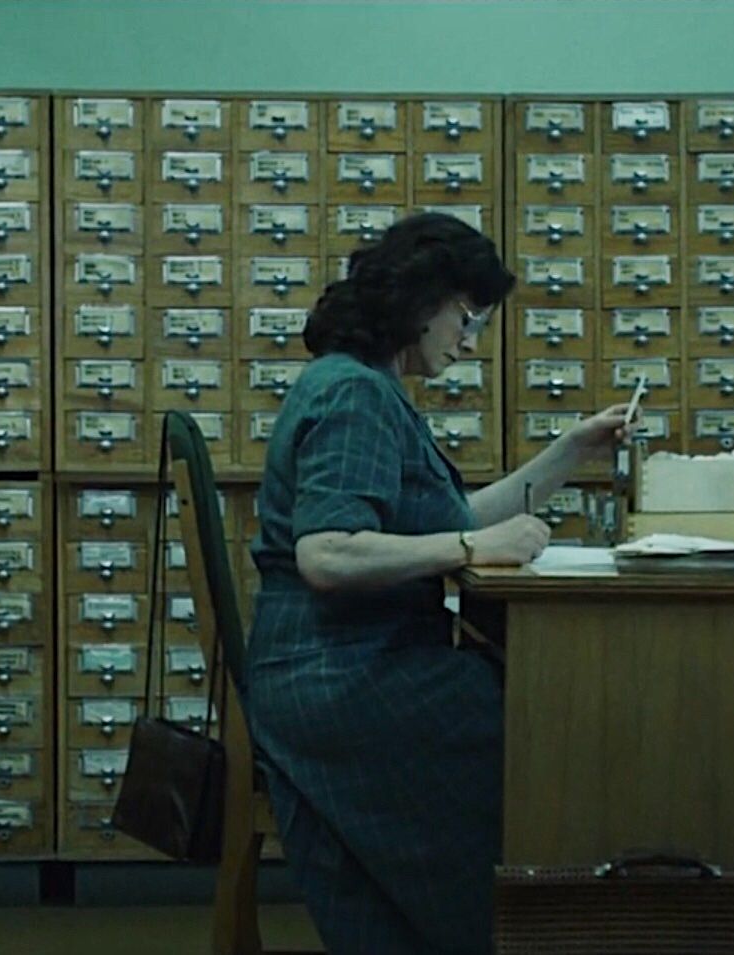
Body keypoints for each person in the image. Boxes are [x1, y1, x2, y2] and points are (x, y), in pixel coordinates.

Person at [242, 212, 635, 954]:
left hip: (349, 660)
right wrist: (469, 547)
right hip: (337, 673)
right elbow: (327, 553)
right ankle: (522, 931)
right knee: (531, 732)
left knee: (517, 704)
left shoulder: (369, 386)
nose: (472, 340)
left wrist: (570, 449)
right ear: (422, 302)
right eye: (468, 317)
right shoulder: (353, 394)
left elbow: (452, 518)